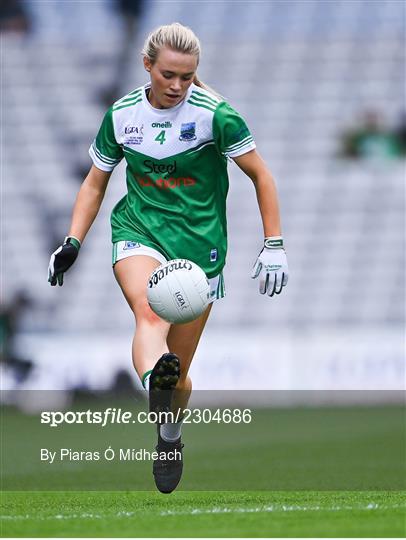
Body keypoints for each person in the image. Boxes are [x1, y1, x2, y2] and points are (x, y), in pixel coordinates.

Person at [48, 22, 289, 494]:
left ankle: (169, 434)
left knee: (176, 391)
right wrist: (72, 241)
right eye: (168, 75)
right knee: (148, 312)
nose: (177, 85)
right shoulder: (121, 116)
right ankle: (153, 376)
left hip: (200, 252)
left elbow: (261, 175)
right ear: (148, 67)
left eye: (186, 76)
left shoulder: (217, 116)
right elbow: (95, 182)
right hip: (138, 231)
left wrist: (274, 244)